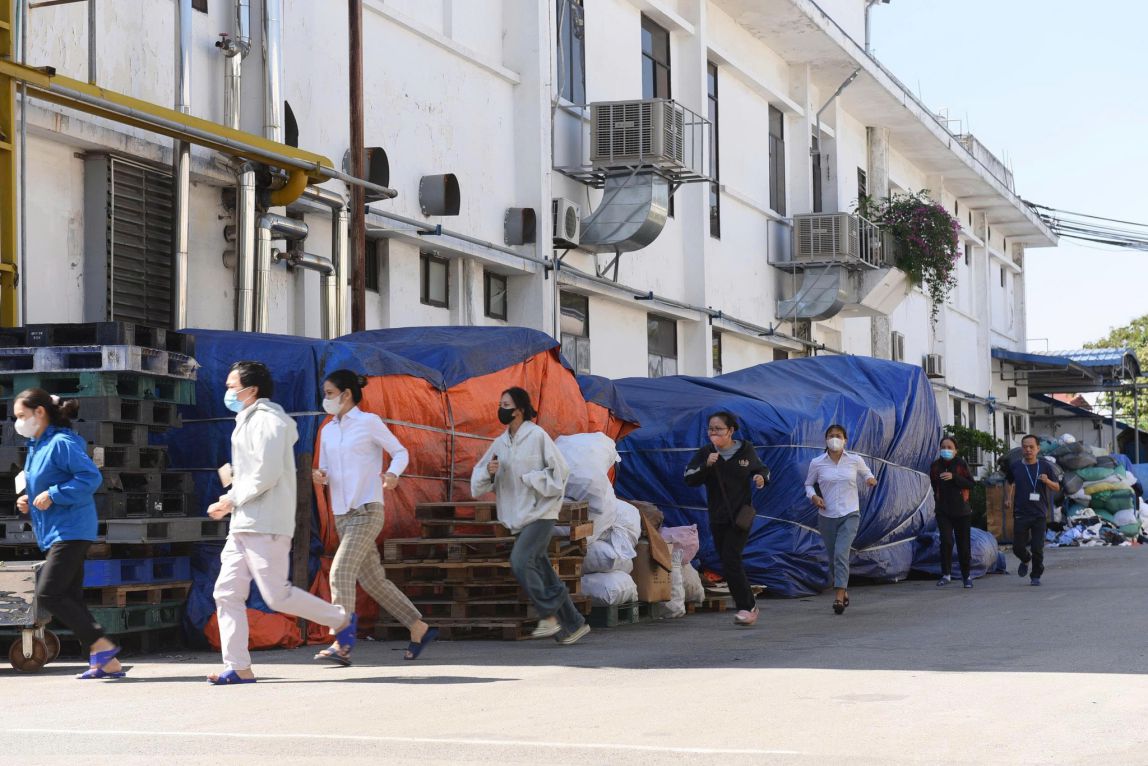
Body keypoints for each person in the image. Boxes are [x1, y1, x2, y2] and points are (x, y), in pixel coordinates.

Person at [207, 361, 357, 685]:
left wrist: (231, 499)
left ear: (252, 390)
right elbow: (251, 474)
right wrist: (229, 498)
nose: (228, 392)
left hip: (267, 524)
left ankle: (340, 619)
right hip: (244, 523)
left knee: (276, 596)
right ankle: (239, 666)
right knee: (226, 593)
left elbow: (267, 473)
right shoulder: (245, 421)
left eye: (232, 386)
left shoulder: (269, 422)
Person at [312, 369, 437, 665]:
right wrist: (320, 476)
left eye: (329, 393)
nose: (325, 399)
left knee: (340, 571)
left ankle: (342, 642)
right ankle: (419, 627)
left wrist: (393, 474)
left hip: (367, 510)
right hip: (342, 513)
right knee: (374, 581)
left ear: (346, 394)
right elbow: (326, 471)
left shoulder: (369, 422)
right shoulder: (328, 429)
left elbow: (400, 452)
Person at [14, 389, 124, 679]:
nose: (19, 422)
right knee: (71, 596)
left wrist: (54, 493)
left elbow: (90, 477)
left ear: (40, 413)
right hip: (54, 530)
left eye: (22, 416)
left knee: (49, 593)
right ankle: (104, 662)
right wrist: (28, 497)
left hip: (71, 529)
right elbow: (42, 483)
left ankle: (102, 645)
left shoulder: (61, 443)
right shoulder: (36, 446)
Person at [470, 387, 589, 645]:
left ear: (519, 409)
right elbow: (476, 484)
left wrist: (531, 479)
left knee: (521, 561)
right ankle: (576, 623)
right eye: (499, 403)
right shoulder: (499, 444)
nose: (501, 408)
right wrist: (489, 473)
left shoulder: (537, 436)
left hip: (542, 513)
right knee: (543, 570)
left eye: (505, 404)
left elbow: (561, 473)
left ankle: (548, 615)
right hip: (517, 516)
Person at [683, 412, 769, 626]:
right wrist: (706, 465)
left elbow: (761, 469)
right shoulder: (706, 453)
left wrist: (760, 478)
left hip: (740, 517)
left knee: (731, 558)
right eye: (710, 429)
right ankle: (749, 605)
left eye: (718, 429)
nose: (713, 432)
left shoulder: (745, 450)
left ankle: (747, 607)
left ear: (730, 431)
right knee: (728, 561)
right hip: (718, 516)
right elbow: (689, 478)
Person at [803, 424, 878, 615]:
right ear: (826, 440)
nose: (834, 438)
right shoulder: (817, 462)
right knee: (832, 557)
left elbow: (867, 473)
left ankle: (838, 595)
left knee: (841, 553)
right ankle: (843, 591)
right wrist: (814, 497)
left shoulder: (854, 459)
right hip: (826, 515)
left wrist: (870, 479)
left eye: (838, 436)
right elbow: (808, 484)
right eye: (831, 435)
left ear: (845, 440)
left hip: (850, 513)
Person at [1003, 434, 1059, 586]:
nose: (1028, 450)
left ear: (1038, 449)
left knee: (1037, 548)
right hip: (1021, 512)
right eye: (1025, 447)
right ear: (1022, 448)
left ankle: (1036, 576)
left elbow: (1057, 486)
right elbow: (1008, 482)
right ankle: (1025, 559)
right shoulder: (1016, 466)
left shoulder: (1045, 466)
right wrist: (1008, 497)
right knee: (1017, 548)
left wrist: (1047, 481)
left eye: (1031, 447)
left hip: (1039, 513)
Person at [929, 436, 975, 589]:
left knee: (964, 544)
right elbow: (934, 485)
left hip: (962, 511)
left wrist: (954, 477)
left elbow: (971, 483)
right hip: (943, 511)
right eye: (943, 447)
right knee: (946, 542)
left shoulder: (961, 464)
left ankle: (966, 576)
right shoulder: (935, 466)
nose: (946, 450)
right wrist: (938, 501)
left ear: (956, 450)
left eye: (949, 447)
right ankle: (946, 574)